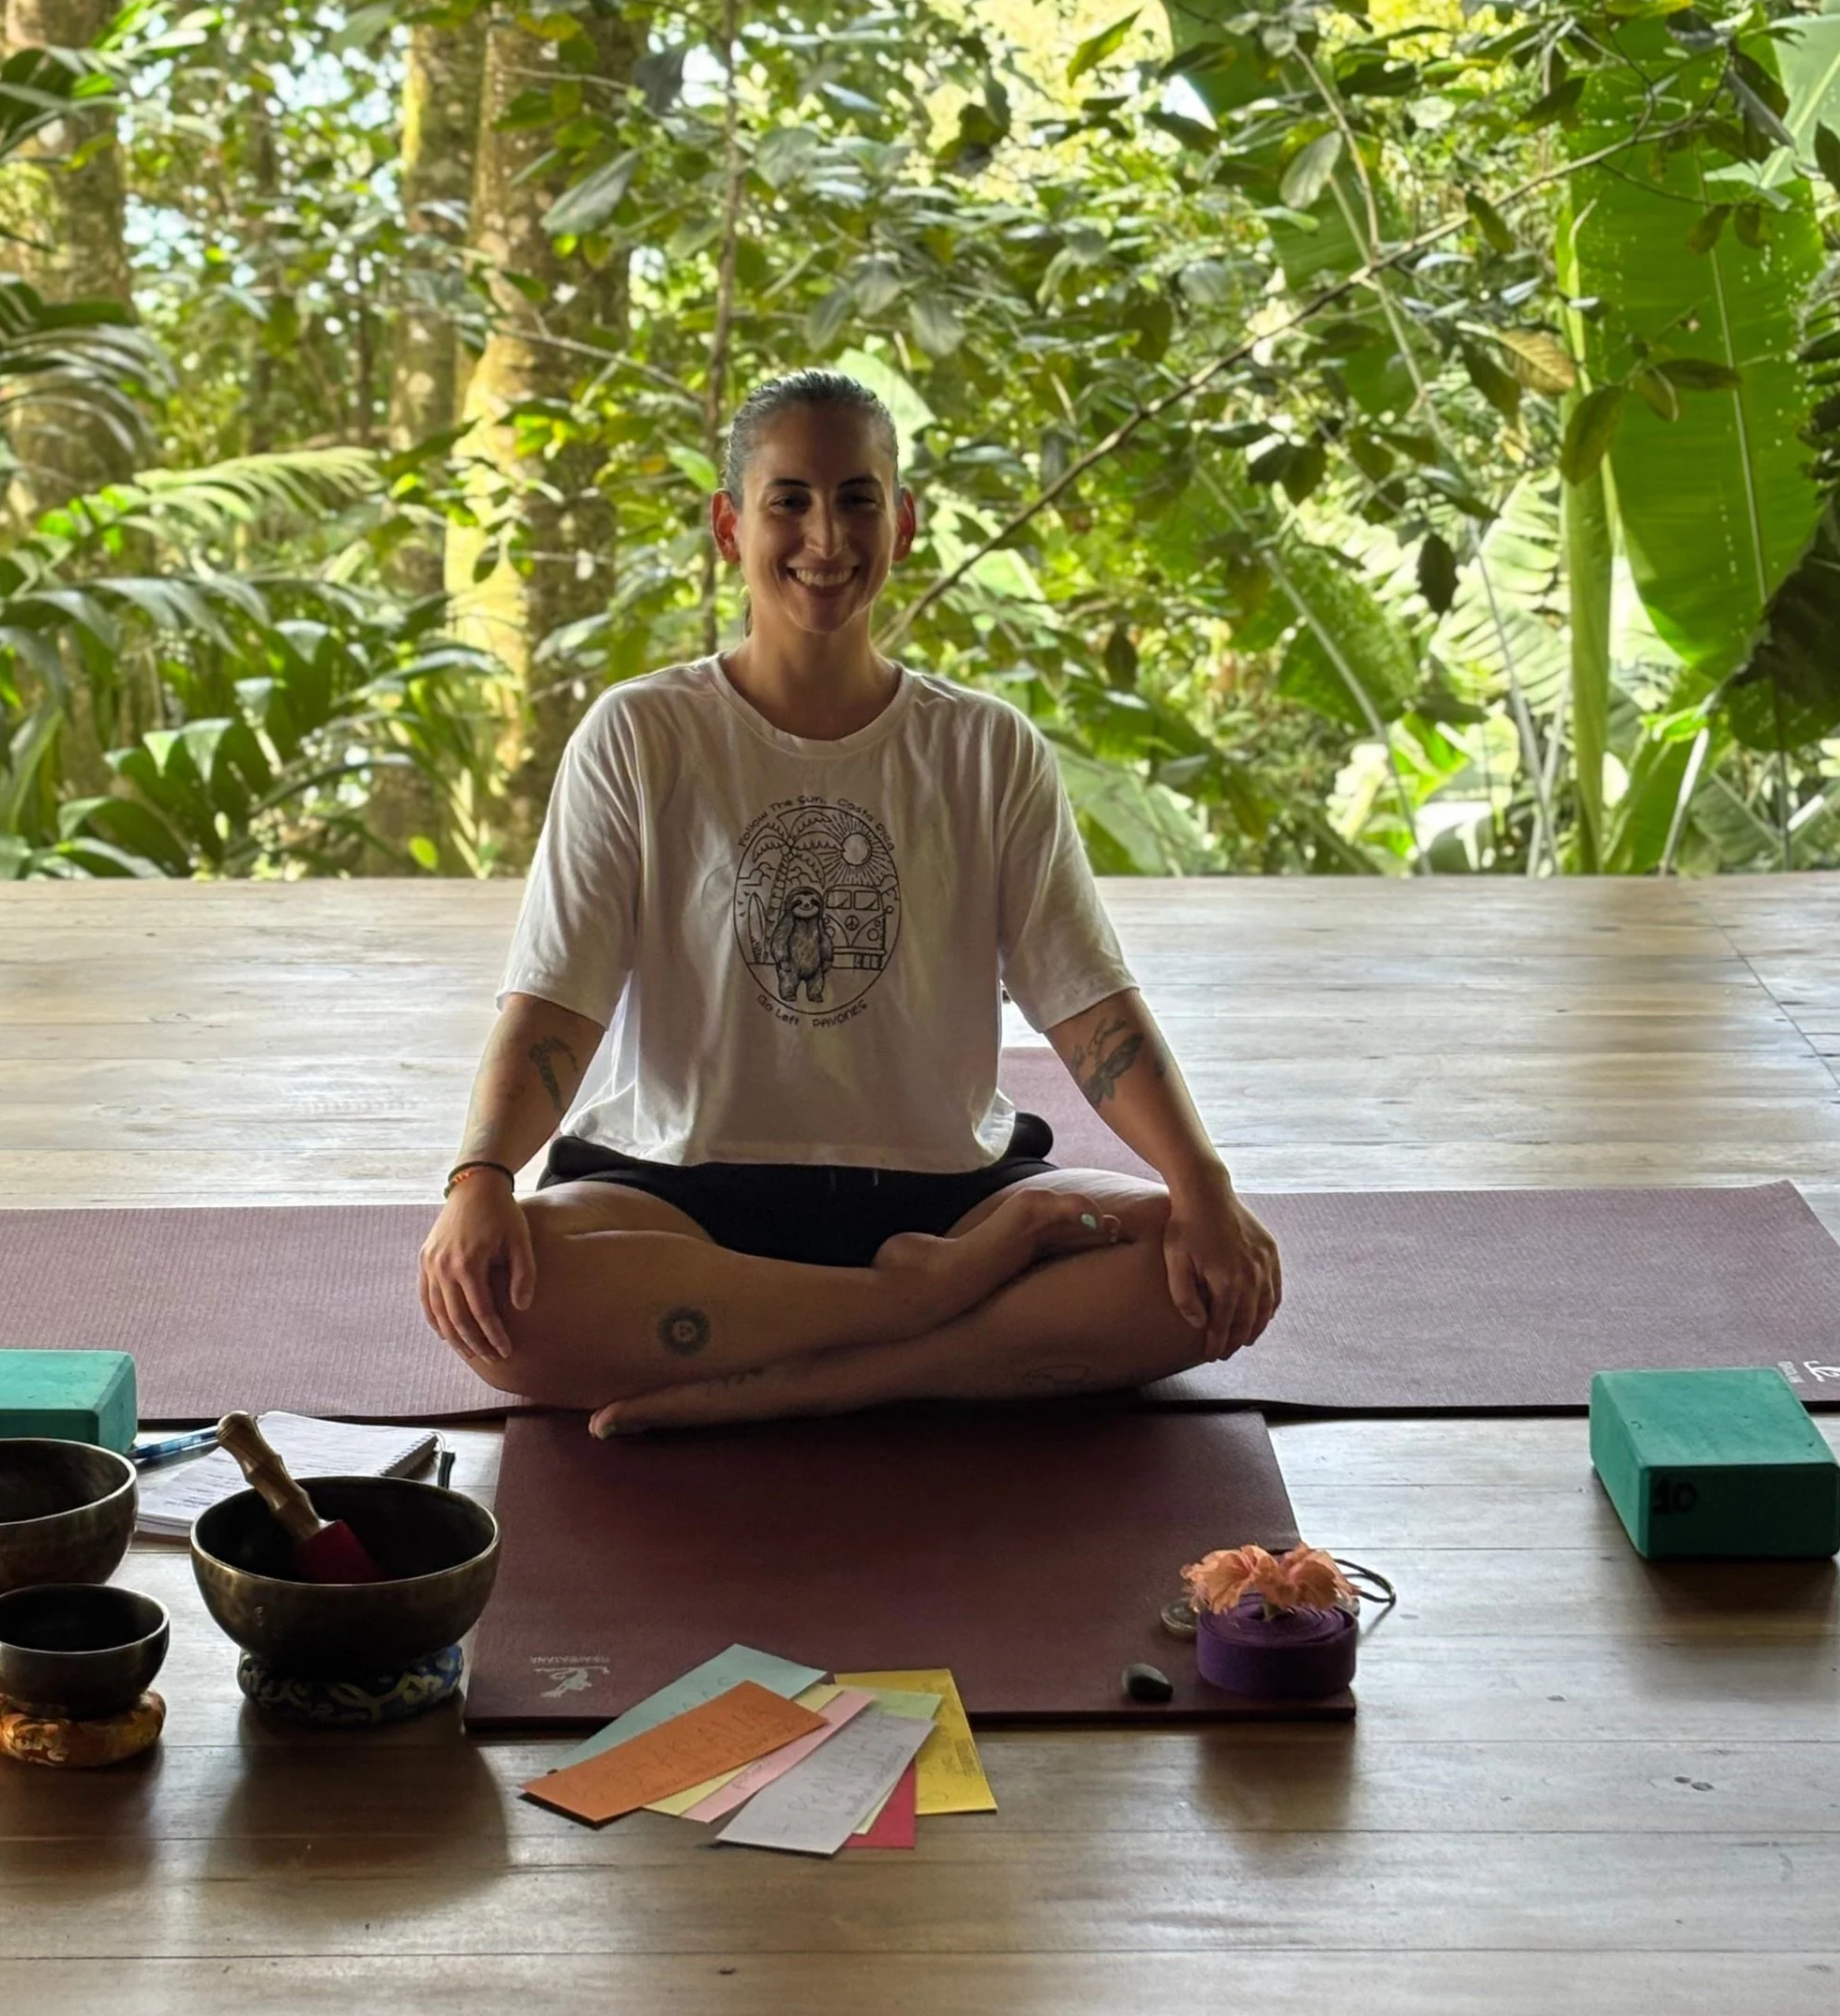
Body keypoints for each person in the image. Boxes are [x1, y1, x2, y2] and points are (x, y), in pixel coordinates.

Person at [417, 366, 1281, 1435]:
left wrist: (1201, 1184)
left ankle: (824, 1375)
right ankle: (909, 1312)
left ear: (902, 522)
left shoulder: (984, 748)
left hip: (941, 1194)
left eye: (856, 498)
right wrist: (480, 1177)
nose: (824, 538)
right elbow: (554, 1002)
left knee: (1185, 1272)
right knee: (501, 1296)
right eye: (789, 500)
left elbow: (1087, 1005)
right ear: (730, 526)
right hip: (681, 1195)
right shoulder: (642, 735)